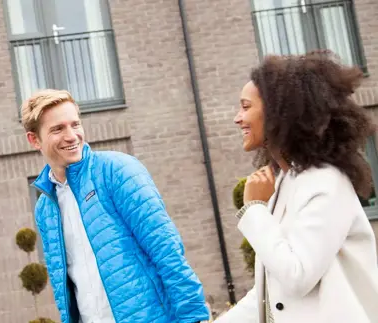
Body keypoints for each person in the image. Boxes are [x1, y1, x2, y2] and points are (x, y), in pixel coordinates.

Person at [216, 50, 378, 323]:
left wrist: (254, 209)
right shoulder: (287, 181)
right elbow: (271, 293)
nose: (237, 118)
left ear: (280, 114)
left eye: (246, 107)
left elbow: (297, 276)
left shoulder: (326, 182)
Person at [22, 89, 209, 323]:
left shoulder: (116, 171)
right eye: (58, 129)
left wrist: (193, 316)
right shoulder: (44, 209)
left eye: (75, 124)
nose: (72, 136)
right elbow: (65, 289)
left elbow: (166, 250)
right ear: (34, 139)